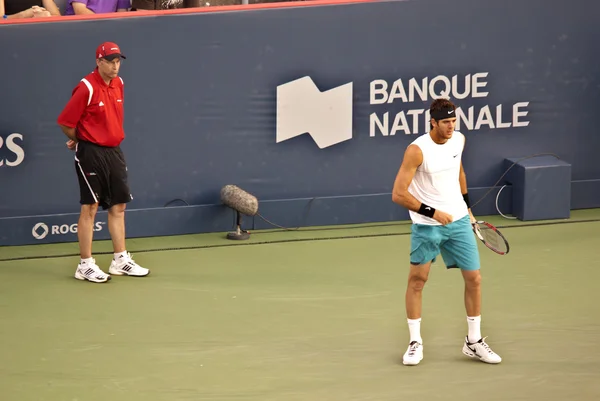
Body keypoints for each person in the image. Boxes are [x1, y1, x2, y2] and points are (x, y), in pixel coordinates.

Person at [391, 98, 501, 365]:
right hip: (428, 226)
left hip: (459, 221)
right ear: (433, 122)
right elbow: (398, 194)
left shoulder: (459, 140)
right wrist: (432, 212)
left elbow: (458, 170)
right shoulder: (417, 150)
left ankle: (473, 342)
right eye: (445, 122)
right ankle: (414, 342)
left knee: (474, 279)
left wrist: (466, 205)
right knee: (417, 281)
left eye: (454, 121)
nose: (451, 126)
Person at [57, 41, 149, 283]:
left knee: (119, 206)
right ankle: (85, 265)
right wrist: (82, 139)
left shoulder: (119, 84)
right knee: (90, 207)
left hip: (114, 151)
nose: (115, 66)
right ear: (99, 62)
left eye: (118, 61)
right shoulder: (86, 87)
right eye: (110, 61)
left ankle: (120, 260)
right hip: (91, 153)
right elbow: (66, 122)